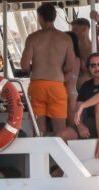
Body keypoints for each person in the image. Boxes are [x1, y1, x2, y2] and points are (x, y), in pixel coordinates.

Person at [20, 3, 77, 135]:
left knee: (39, 131)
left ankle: (40, 155)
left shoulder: (33, 38)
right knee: (60, 131)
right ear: (54, 17)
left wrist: (32, 69)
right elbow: (71, 66)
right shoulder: (65, 38)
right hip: (57, 86)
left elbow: (24, 65)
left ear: (40, 17)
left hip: (37, 85)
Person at [58, 52, 99, 159]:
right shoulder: (86, 86)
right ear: (89, 68)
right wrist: (80, 125)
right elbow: (77, 109)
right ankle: (61, 168)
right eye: (93, 65)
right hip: (92, 123)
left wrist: (84, 106)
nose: (96, 67)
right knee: (62, 136)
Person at [70, 17, 92, 88]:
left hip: (89, 88)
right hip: (73, 87)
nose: (72, 33)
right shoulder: (72, 47)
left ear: (84, 29)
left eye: (75, 30)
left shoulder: (94, 47)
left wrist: (81, 64)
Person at [65, 32, 81, 125]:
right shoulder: (77, 59)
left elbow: (67, 77)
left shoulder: (73, 59)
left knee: (71, 122)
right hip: (72, 93)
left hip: (70, 94)